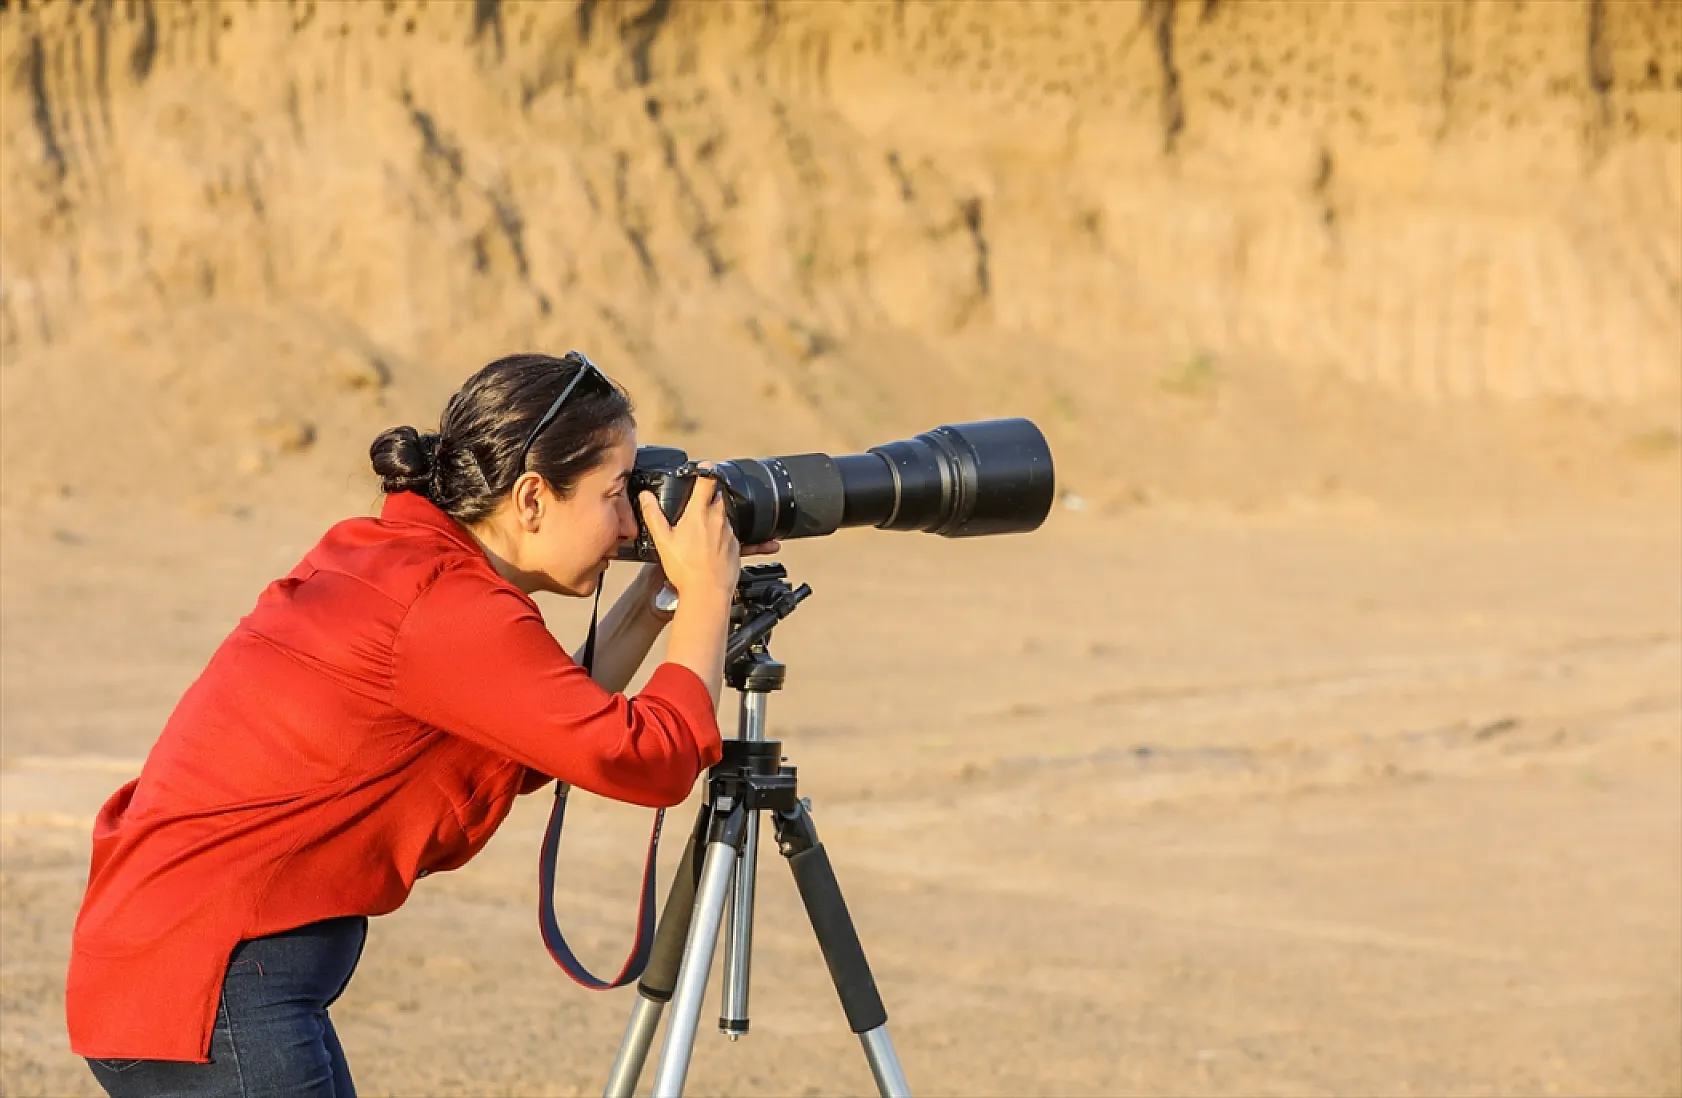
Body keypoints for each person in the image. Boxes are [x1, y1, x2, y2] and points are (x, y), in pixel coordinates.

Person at [66, 351, 770, 1097]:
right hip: (210, 992)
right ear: (532, 499)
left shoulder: (398, 559)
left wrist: (660, 592)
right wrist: (706, 594)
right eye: (613, 495)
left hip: (186, 972)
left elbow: (544, 732)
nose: (631, 521)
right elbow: (652, 759)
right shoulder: (445, 605)